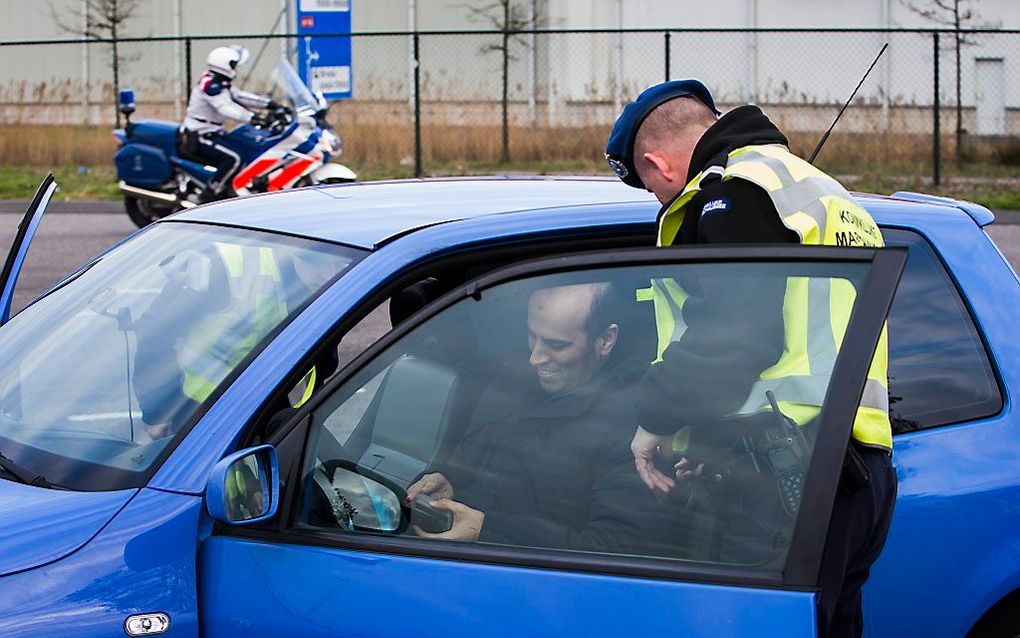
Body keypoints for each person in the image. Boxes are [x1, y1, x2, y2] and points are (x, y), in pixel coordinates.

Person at [604, 80, 896, 637]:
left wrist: (655, 418)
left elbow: (737, 337)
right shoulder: (814, 188)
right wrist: (712, 441)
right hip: (856, 469)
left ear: (656, 164)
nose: (660, 199)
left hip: (791, 476)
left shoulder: (735, 194)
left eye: (649, 188)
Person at [405, 282, 675, 555]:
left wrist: (487, 531)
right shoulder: (513, 379)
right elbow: (474, 450)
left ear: (605, 340)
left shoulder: (634, 429)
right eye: (532, 336)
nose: (535, 357)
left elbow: (612, 549)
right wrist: (450, 478)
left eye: (557, 345)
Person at [180, 45, 277, 203]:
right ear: (225, 65)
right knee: (234, 158)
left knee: (245, 148)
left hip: (213, 132)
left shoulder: (220, 82)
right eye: (233, 65)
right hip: (199, 134)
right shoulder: (210, 85)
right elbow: (225, 107)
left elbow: (240, 96)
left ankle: (234, 188)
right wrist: (252, 117)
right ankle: (210, 194)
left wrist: (270, 104)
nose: (235, 69)